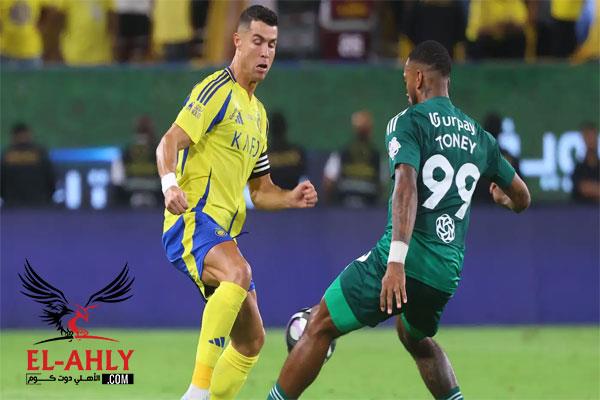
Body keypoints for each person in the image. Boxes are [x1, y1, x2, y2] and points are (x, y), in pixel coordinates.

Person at [267, 40, 530, 400]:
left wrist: (395, 262)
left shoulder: (409, 121)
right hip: (445, 274)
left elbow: (405, 186)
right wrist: (504, 199)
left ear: (419, 78)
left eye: (406, 77)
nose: (406, 87)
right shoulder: (480, 137)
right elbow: (522, 197)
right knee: (414, 336)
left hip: (404, 261)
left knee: (320, 323)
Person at [155, 6, 317, 400]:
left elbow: (260, 191)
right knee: (238, 272)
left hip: (222, 232)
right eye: (258, 41)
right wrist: (169, 184)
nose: (265, 52)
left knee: (251, 341)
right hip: (192, 219)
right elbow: (169, 141)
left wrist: (290, 197)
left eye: (272, 45)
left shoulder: (258, 116)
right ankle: (196, 393)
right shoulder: (215, 90)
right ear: (238, 41)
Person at [322, 110, 381, 207]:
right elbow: (328, 182)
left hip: (368, 208)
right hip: (345, 206)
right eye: (361, 128)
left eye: (365, 128)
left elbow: (328, 182)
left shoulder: (376, 155)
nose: (363, 131)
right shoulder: (342, 153)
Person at [1, 123, 55, 206]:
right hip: (39, 203)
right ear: (29, 134)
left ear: (13, 137)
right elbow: (51, 178)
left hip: (12, 205)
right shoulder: (39, 153)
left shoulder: (7, 155)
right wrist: (48, 197)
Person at [267, 111, 307, 190]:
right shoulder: (297, 153)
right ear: (285, 128)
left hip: (272, 196)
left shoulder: (264, 156)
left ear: (270, 130)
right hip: (293, 195)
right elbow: (304, 179)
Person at [571, 122, 599, 203]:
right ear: (583, 139)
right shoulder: (578, 169)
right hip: (582, 210)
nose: (591, 141)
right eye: (588, 136)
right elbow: (583, 188)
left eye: (593, 136)